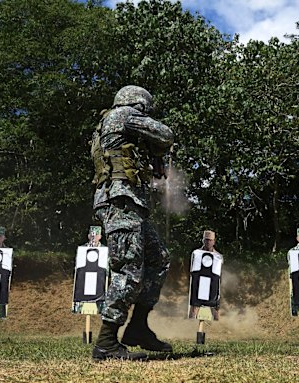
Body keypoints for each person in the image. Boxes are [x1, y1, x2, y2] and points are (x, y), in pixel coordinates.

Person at [90, 85, 174, 361]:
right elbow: (165, 134)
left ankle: (137, 327)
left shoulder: (112, 124)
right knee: (128, 268)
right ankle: (106, 342)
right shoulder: (123, 115)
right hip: (121, 201)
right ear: (139, 104)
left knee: (158, 258)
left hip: (129, 203)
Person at [188, 230, 221, 320]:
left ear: (214, 241)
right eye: (206, 240)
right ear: (203, 240)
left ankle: (217, 328)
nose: (208, 242)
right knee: (194, 306)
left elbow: (219, 273)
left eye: (210, 240)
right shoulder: (197, 253)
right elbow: (193, 270)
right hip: (199, 283)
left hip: (212, 284)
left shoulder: (218, 256)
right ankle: (189, 327)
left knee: (215, 307)